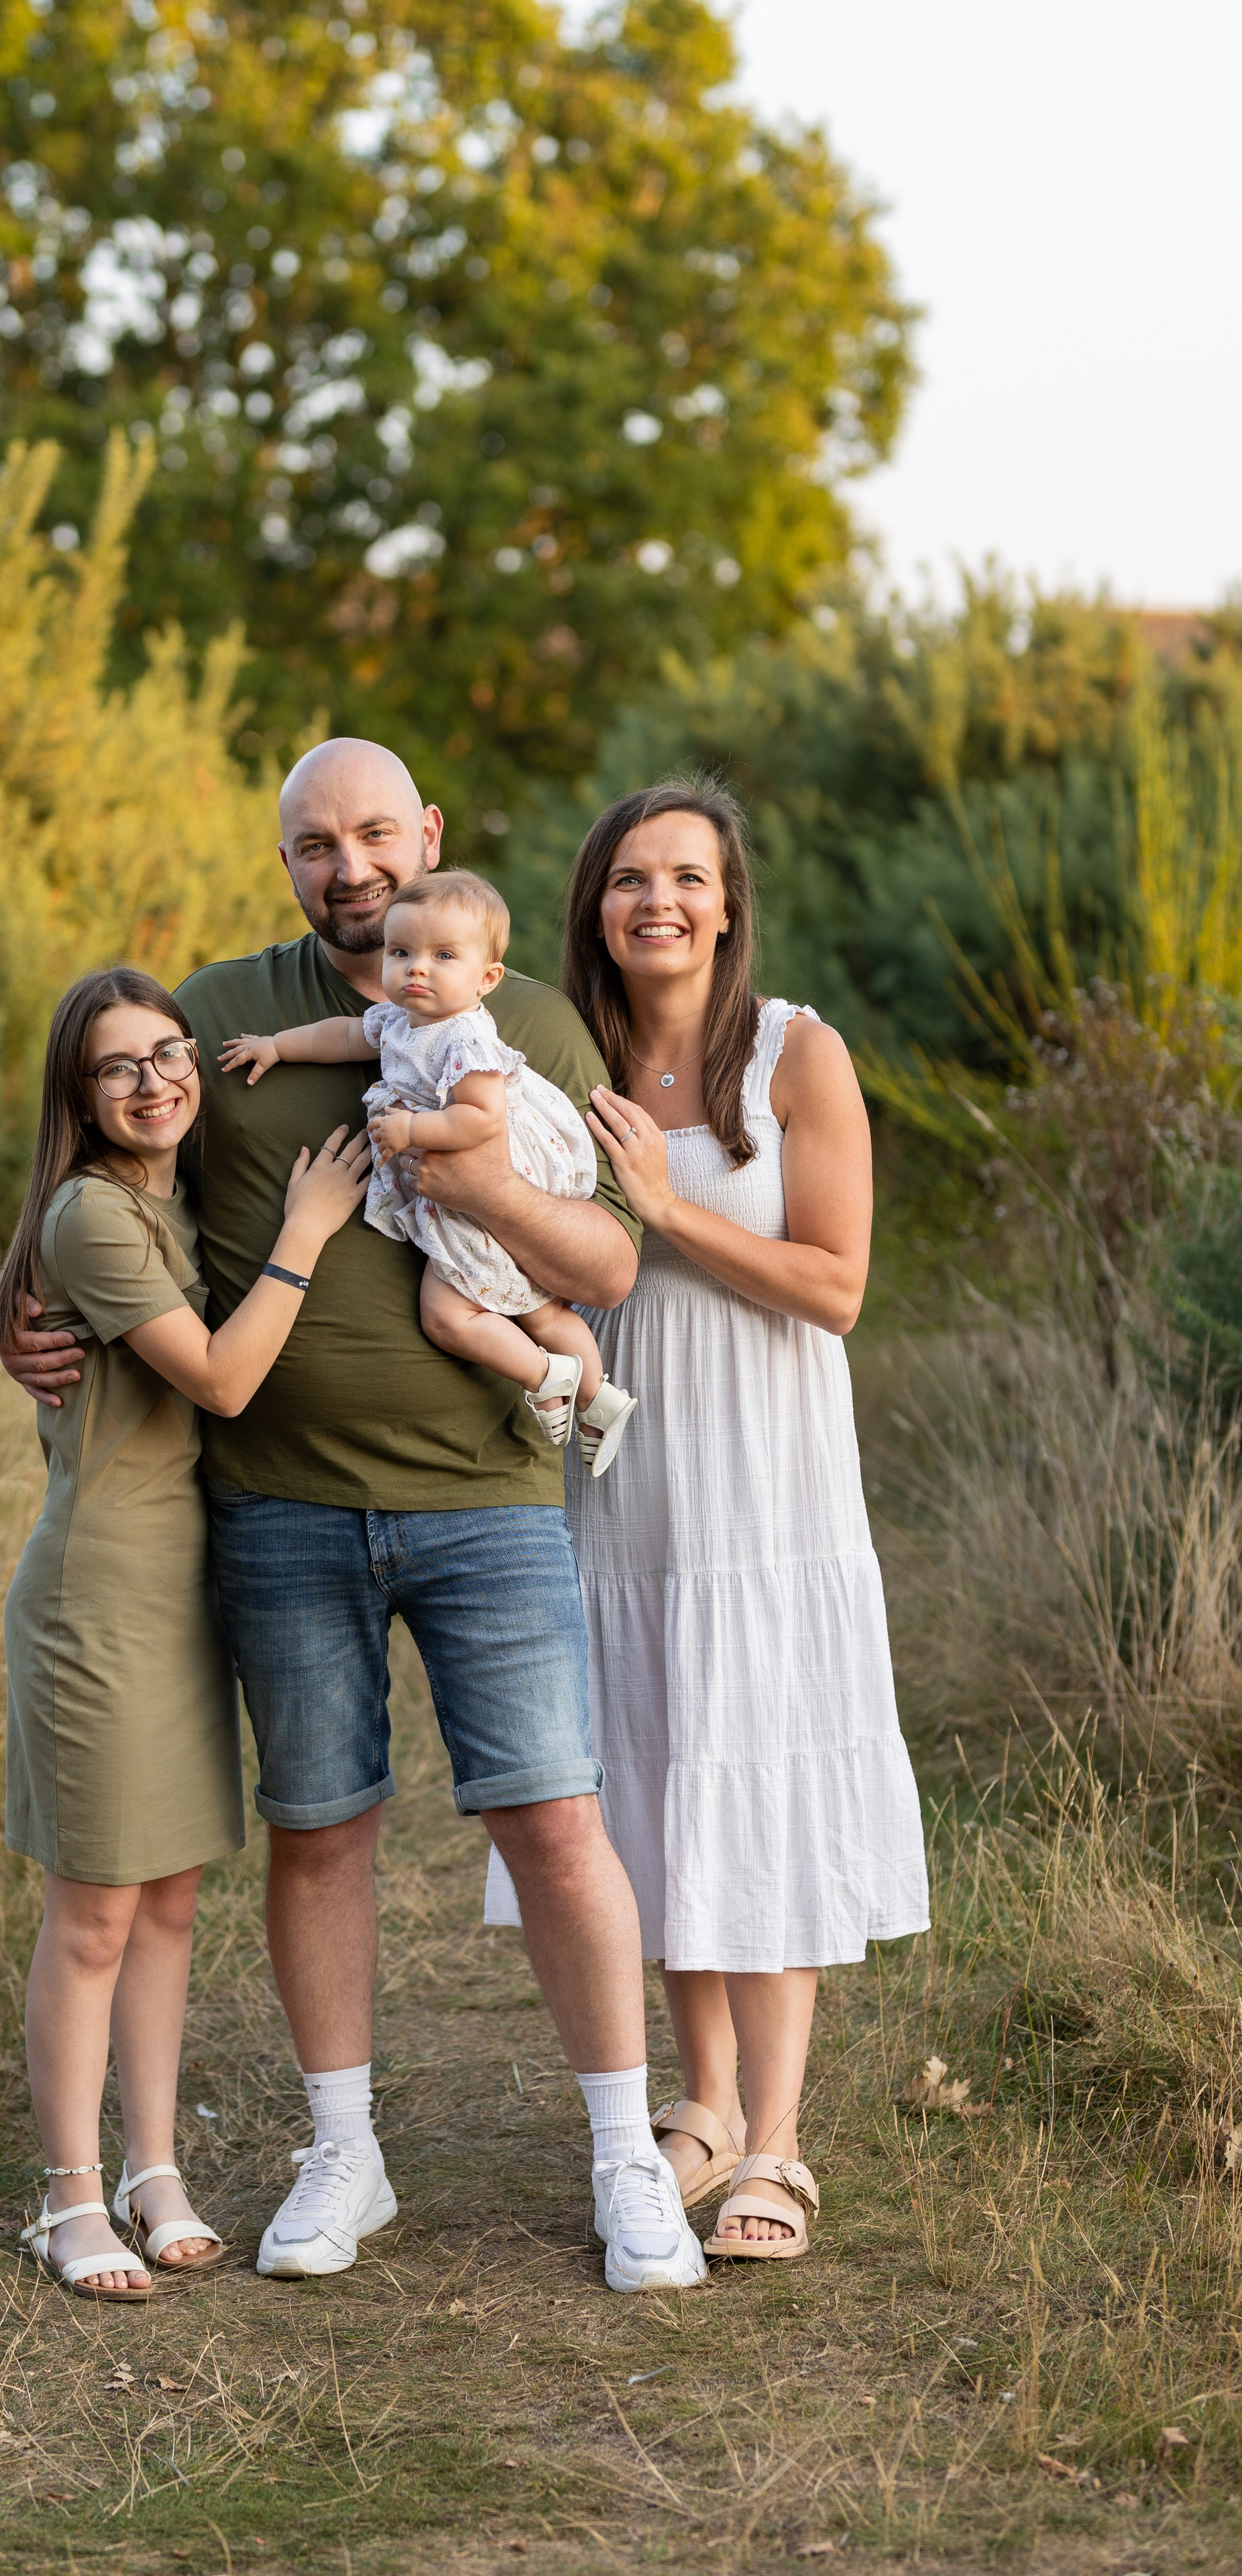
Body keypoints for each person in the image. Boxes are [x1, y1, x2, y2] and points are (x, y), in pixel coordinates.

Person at [0, 739, 707, 2295]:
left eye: (377, 833)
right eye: (316, 844)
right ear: (286, 863)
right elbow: (108, 1181)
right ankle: (345, 2151)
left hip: (484, 1499)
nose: (350, 867)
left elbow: (601, 1269)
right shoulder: (220, 1013)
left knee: (554, 1821)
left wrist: (458, 1181)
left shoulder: (514, 1011)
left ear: (429, 836)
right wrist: (21, 1313)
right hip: (273, 1508)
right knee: (316, 1834)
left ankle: (620, 2161)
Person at [486, 777, 929, 2261]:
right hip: (622, 1464)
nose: (654, 900)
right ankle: (704, 2105)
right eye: (625, 878)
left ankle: (780, 2143)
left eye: (683, 875)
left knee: (764, 1756)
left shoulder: (793, 1056)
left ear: (728, 903)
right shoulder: (559, 1057)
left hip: (766, 1466)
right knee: (653, 1766)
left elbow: (838, 1286)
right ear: (591, 908)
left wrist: (662, 1210)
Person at [0, 965, 369, 2300]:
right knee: (93, 1913)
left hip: (185, 1591)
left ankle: (153, 2173)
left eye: (168, 1054)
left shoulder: (175, 1203)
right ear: (78, 1099)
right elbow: (218, 1377)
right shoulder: (92, 1212)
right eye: (117, 1067)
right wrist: (310, 1229)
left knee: (164, 1908)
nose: (154, 1081)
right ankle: (64, 2200)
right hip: (99, 1599)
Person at [219, 866, 637, 1475]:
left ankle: (548, 1377)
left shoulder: (464, 1038)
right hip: (457, 1189)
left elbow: (482, 1120)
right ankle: (601, 1400)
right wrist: (280, 1046)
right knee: (541, 1312)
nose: (417, 967)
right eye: (402, 952)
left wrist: (412, 1130)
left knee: (447, 1316)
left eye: (443, 955)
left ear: (487, 978)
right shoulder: (400, 1021)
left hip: (481, 1185)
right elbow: (342, 1036)